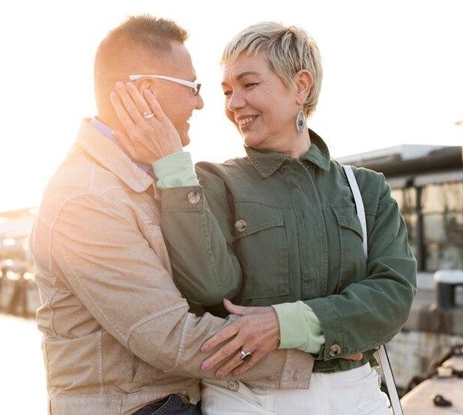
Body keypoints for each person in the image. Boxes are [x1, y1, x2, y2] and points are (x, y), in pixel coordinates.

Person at [111, 21, 418, 414]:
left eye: (249, 84)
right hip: (247, 399)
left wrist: (282, 324)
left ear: (301, 86)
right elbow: (209, 287)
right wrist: (171, 166)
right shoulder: (212, 182)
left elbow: (393, 295)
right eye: (227, 91)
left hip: (358, 399)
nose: (233, 103)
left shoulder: (366, 189)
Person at [29, 15, 316, 415]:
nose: (201, 103)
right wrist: (316, 357)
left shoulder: (148, 176)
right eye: (192, 87)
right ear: (146, 91)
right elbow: (169, 336)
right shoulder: (86, 199)